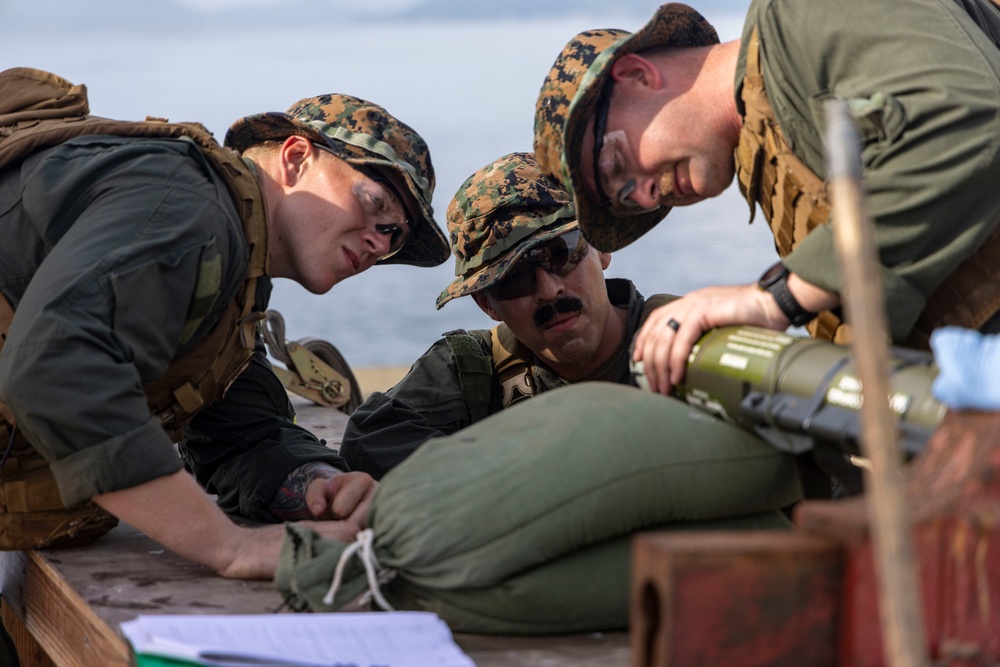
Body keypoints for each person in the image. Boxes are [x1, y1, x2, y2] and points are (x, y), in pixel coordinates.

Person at [0, 68, 450, 579]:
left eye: (393, 237)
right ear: (296, 158)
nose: (379, 243)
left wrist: (316, 482)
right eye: (375, 205)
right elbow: (55, 365)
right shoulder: (190, 210)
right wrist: (227, 546)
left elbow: (239, 430)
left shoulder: (232, 278)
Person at [532, 0, 1000, 396]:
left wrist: (776, 300)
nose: (647, 193)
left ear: (637, 75)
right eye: (625, 201)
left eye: (617, 164)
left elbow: (972, 123)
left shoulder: (801, 15)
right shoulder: (769, 140)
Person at [340, 152, 674, 478]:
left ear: (600, 247)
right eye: (514, 278)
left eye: (562, 253)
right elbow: (369, 440)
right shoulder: (474, 370)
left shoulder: (683, 341)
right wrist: (509, 470)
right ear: (486, 304)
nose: (548, 290)